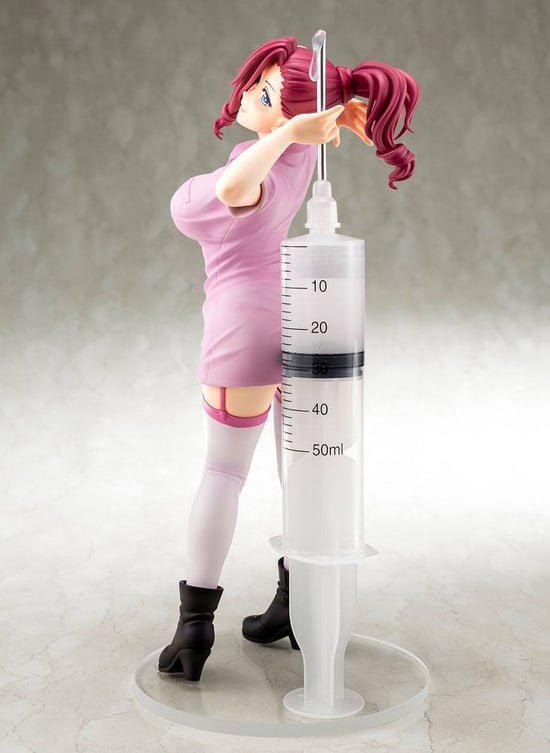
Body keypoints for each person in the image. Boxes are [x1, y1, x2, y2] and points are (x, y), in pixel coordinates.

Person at [158, 36, 419, 681]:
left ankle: (194, 628)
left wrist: (291, 129)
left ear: (291, 116)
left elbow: (232, 187)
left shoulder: (268, 157)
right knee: (298, 473)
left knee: (224, 472)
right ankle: (297, 607)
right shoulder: (298, 154)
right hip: (297, 317)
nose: (250, 93)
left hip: (242, 331)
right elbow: (277, 152)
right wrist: (317, 121)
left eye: (268, 93)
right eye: (257, 83)